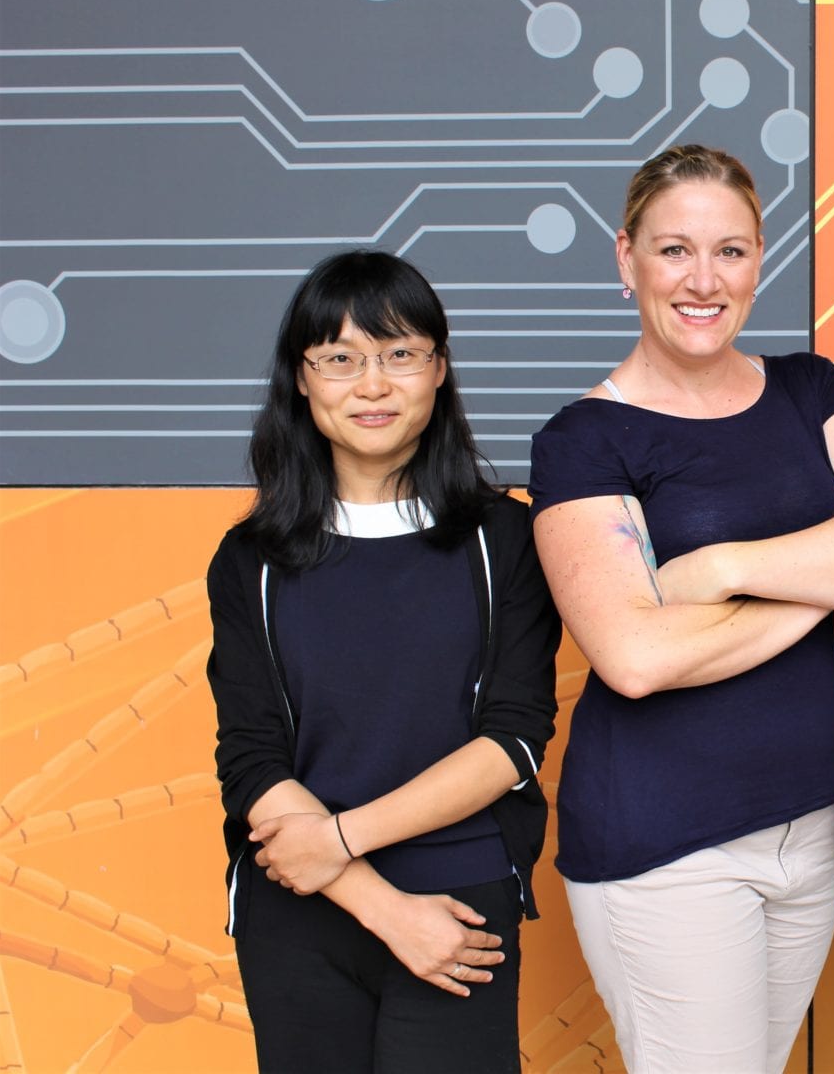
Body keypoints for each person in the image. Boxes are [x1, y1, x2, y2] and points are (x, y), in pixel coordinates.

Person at [526, 143, 834, 1073]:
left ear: (759, 259)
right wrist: (826, 583)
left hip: (808, 828)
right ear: (626, 259)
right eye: (673, 251)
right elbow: (634, 657)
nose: (703, 279)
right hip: (666, 843)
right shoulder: (584, 442)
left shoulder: (811, 391)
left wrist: (717, 568)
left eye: (731, 251)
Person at [208, 250, 560, 1073]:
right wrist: (378, 903)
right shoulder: (250, 559)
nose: (372, 384)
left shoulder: (501, 538)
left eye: (400, 354)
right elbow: (251, 759)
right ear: (302, 379)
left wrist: (339, 837)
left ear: (438, 369)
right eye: (339, 359)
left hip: (459, 901)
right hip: (299, 905)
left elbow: (512, 741)